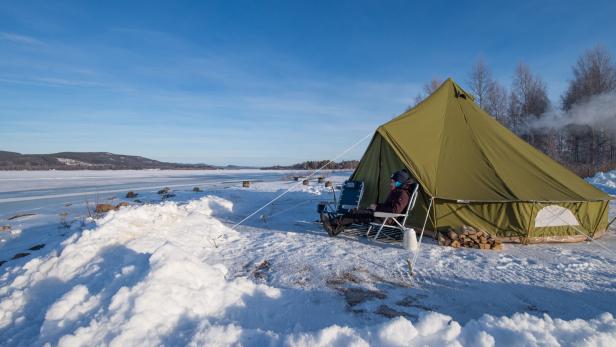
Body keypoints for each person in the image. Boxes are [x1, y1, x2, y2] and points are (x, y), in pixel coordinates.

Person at [320, 169, 416, 236]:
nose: (391, 183)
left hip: (386, 218)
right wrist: (377, 206)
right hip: (383, 214)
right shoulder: (398, 191)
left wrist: (377, 208)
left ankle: (330, 223)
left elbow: (395, 211)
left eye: (393, 182)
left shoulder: (403, 194)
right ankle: (334, 229)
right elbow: (390, 206)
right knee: (357, 211)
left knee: (356, 213)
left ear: (399, 182)